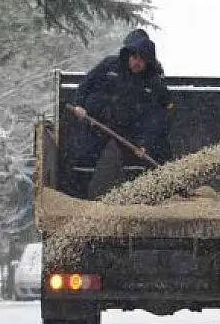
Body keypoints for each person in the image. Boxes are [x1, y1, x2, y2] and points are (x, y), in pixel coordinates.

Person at [66, 29, 171, 198]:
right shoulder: (109, 65)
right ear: (128, 55)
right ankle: (76, 198)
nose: (137, 63)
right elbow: (86, 85)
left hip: (129, 127)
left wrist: (145, 143)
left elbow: (153, 117)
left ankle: (135, 201)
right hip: (96, 120)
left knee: (136, 164)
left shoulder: (152, 83)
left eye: (142, 60)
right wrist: (79, 105)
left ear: (148, 62)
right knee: (85, 158)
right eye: (135, 58)